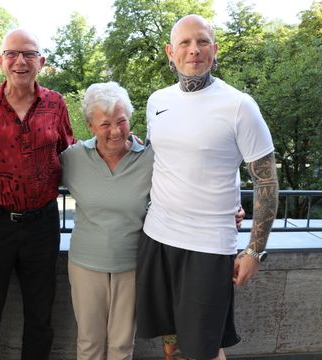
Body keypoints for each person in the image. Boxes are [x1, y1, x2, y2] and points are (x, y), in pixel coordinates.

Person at [136, 14, 279, 360]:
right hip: (157, 237)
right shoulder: (157, 101)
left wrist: (254, 251)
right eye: (184, 43)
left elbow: (267, 180)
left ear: (214, 50)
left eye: (202, 42)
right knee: (170, 343)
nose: (193, 50)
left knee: (203, 349)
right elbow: (165, 160)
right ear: (171, 52)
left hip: (208, 247)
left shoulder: (239, 106)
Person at [0, 28, 75, 360]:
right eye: (12, 54)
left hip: (42, 223)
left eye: (28, 54)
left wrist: (123, 152)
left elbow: (71, 155)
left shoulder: (55, 104)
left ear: (41, 61)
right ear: (0, 61)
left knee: (41, 316)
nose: (20, 61)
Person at [60, 82, 153, 360]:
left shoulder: (150, 158)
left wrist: (229, 209)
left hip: (132, 264)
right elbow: (36, 180)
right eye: (105, 124)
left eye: (121, 121)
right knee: (89, 344)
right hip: (86, 264)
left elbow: (183, 188)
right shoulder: (73, 158)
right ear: (89, 125)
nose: (115, 131)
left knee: (122, 346)